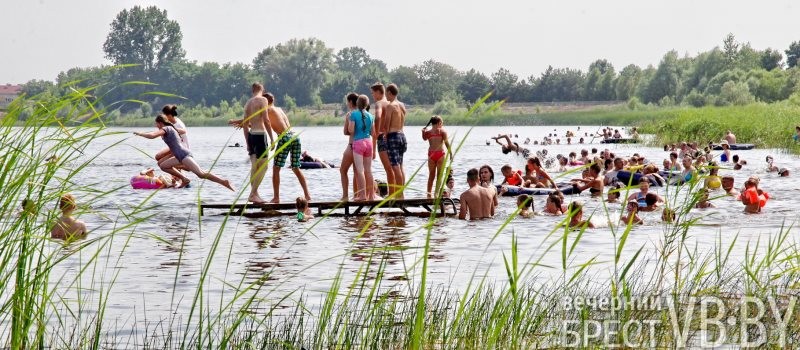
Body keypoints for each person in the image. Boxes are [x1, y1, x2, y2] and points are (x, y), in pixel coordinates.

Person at [134, 115, 233, 191]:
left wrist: (140, 133)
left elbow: (152, 136)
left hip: (184, 155)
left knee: (201, 174)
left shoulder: (166, 128)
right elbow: (181, 131)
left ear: (160, 123)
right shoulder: (170, 128)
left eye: (156, 124)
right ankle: (184, 179)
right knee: (163, 165)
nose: (156, 126)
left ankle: (223, 181)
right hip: (178, 156)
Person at [228, 83, 273, 203]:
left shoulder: (248, 103)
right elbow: (266, 120)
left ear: (252, 90)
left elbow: (244, 125)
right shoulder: (263, 100)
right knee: (264, 166)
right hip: (260, 135)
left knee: (254, 167)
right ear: (261, 89)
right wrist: (272, 139)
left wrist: (248, 142)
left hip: (252, 136)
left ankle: (255, 194)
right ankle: (253, 194)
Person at [264, 92, 311, 203]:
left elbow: (260, 123)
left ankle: (276, 198)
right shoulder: (279, 109)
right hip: (294, 136)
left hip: (284, 138)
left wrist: (244, 124)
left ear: (265, 102)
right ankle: (307, 195)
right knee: (296, 168)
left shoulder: (267, 110)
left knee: (276, 169)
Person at [348, 94, 379, 201]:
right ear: (367, 104)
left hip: (358, 143)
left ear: (357, 103)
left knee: (360, 171)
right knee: (368, 170)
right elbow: (373, 133)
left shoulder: (353, 114)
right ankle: (371, 196)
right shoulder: (371, 116)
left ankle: (362, 195)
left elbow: (351, 130)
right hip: (368, 143)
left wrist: (349, 124)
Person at [382, 84, 407, 198]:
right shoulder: (402, 105)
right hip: (402, 135)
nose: (385, 96)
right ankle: (401, 193)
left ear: (390, 93)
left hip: (393, 136)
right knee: (400, 165)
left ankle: (399, 195)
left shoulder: (390, 106)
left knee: (395, 166)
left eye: (386, 93)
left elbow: (386, 124)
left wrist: (385, 136)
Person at [371, 83, 395, 195]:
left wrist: (376, 132)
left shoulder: (379, 103)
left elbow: (378, 116)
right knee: (395, 167)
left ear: (378, 92)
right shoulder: (391, 103)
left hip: (382, 137)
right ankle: (397, 192)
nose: (372, 95)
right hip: (393, 136)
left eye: (373, 93)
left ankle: (391, 194)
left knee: (388, 168)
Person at [421, 115, 452, 198]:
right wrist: (451, 153)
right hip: (440, 154)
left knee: (431, 175)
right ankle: (436, 194)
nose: (442, 125)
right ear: (439, 123)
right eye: (442, 123)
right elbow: (446, 143)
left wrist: (423, 132)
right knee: (439, 176)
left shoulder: (428, 132)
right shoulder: (442, 132)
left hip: (431, 154)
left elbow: (424, 138)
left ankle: (428, 194)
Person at [154, 105, 190, 170]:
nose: (164, 117)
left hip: (181, 147)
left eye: (165, 115)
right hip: (174, 145)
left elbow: (184, 131)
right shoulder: (170, 123)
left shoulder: (178, 123)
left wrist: (171, 130)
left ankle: (185, 166)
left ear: (169, 115)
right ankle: (177, 168)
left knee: (160, 163)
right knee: (157, 157)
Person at [339, 93, 359, 201]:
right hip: (362, 146)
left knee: (343, 170)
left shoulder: (350, 114)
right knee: (357, 172)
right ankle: (356, 195)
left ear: (351, 102)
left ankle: (345, 196)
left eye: (347, 102)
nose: (347, 104)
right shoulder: (363, 113)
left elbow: (346, 132)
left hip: (351, 146)